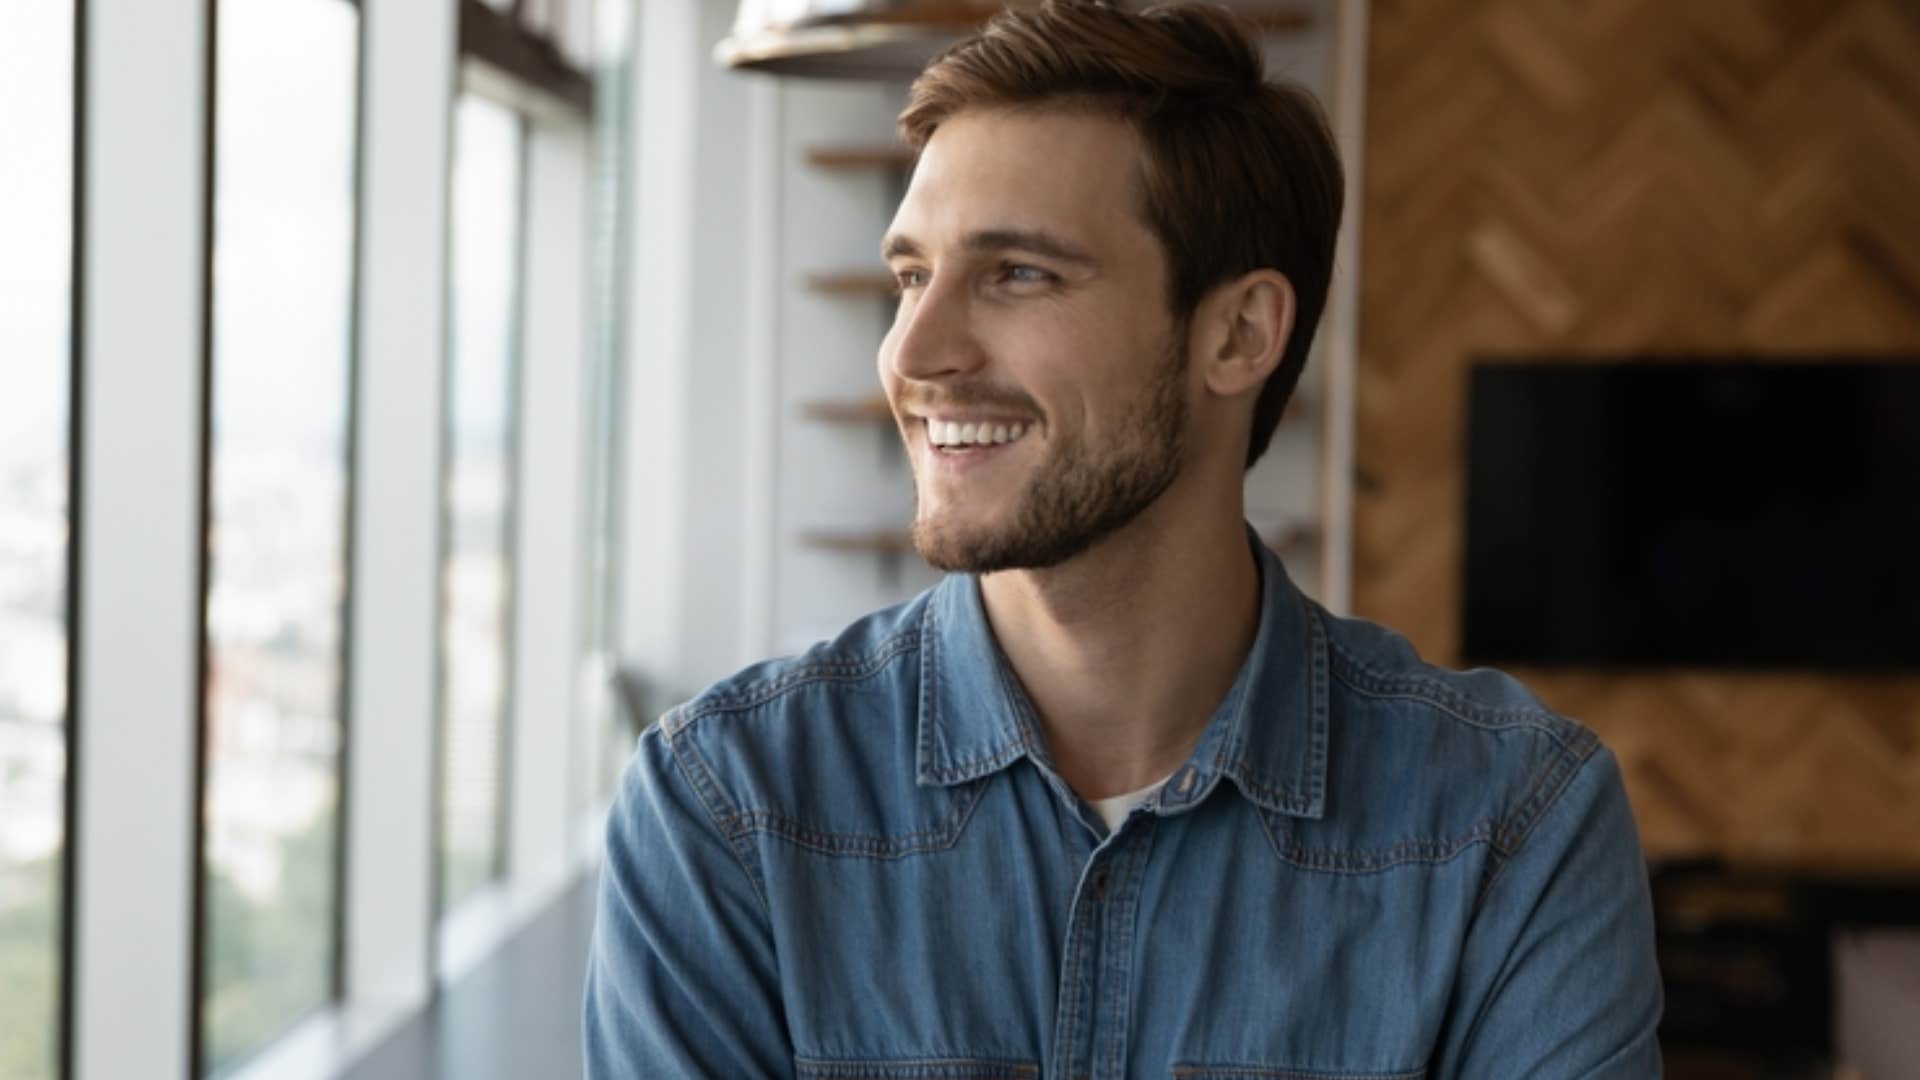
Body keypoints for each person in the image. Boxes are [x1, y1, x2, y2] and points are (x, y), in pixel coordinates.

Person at [585, 1, 1663, 1076]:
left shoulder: (1510, 825)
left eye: (1018, 273)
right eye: (912, 275)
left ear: (1237, 333)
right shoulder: (728, 810)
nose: (914, 350)